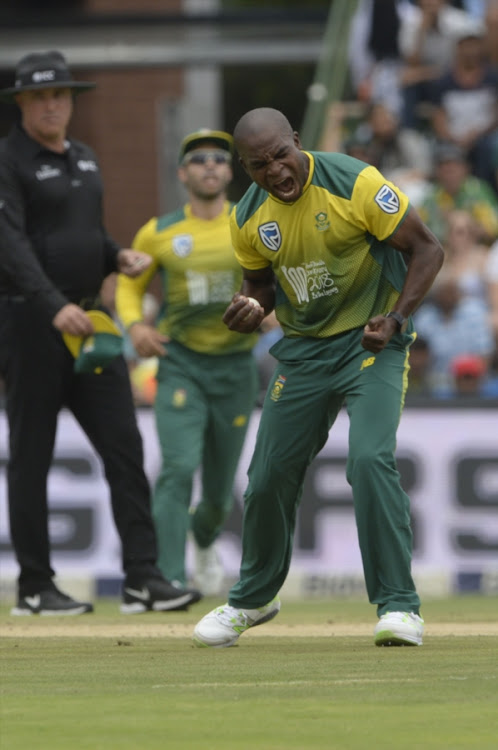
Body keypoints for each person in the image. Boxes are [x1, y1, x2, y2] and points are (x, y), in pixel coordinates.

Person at [192, 107, 444, 649]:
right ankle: (255, 597)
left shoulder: (354, 182)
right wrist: (249, 306)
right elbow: (259, 284)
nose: (276, 171)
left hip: (371, 343)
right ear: (245, 168)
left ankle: (399, 607)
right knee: (266, 477)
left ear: (297, 142)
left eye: (282, 155)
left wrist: (396, 318)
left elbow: (428, 248)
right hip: (304, 353)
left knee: (369, 460)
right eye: (260, 165)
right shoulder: (247, 217)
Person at [0, 50, 201, 615]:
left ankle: (142, 578)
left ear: (71, 100)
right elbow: (10, 244)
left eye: (60, 94)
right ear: (21, 102)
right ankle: (35, 587)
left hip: (91, 324)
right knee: (32, 455)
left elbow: (84, 234)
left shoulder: (85, 158)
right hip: (31, 322)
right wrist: (50, 304)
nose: (52, 105)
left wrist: (119, 256)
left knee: (125, 446)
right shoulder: (8, 160)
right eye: (40, 96)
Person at [115, 129, 259, 597]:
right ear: (183, 174)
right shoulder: (158, 233)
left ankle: (205, 539)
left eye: (219, 157)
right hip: (181, 366)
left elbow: (284, 271)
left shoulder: (251, 221)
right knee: (177, 467)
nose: (210, 165)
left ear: (230, 169)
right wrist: (135, 326)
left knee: (218, 495)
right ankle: (169, 579)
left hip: (236, 369)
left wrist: (278, 313)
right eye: (199, 160)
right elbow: (129, 285)